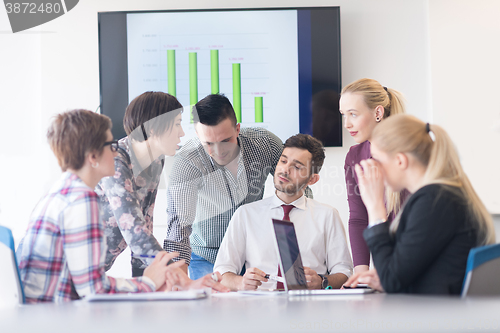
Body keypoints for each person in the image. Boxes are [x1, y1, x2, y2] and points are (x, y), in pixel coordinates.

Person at [16, 110, 185, 303]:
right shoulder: (82, 199)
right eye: (110, 145)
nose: (116, 150)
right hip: (49, 316)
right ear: (93, 156)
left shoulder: (62, 191)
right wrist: (147, 283)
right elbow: (94, 289)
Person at [343, 115, 496, 294]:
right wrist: (384, 275)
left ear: (400, 161)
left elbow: (393, 279)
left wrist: (375, 209)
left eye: (377, 160)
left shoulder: (434, 201)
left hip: (436, 316)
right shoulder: (441, 195)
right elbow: (405, 271)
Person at [164, 94, 290, 280]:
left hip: (256, 254)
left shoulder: (265, 144)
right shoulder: (187, 161)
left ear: (238, 129)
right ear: (198, 136)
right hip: (208, 257)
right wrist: (178, 283)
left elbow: (295, 185)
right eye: (208, 143)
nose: (219, 151)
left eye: (226, 140)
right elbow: (178, 225)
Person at [214, 134, 353, 291]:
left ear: (312, 180)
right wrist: (240, 282)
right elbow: (221, 272)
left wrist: (322, 281)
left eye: (297, 167)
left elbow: (345, 272)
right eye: (283, 161)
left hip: (310, 307)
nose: (285, 170)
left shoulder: (327, 215)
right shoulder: (245, 215)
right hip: (260, 307)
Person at [95, 91, 184, 277]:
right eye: (177, 124)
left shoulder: (157, 160)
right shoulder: (115, 160)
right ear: (152, 128)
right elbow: (133, 230)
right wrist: (175, 275)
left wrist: (147, 287)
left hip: (92, 272)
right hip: (57, 268)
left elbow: (145, 223)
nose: (182, 133)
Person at [340, 78, 409, 274]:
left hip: (411, 263)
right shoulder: (354, 156)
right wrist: (360, 273)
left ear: (378, 112)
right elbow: (358, 218)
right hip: (386, 266)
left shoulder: (409, 154)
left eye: (353, 114)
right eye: (343, 115)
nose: (346, 124)